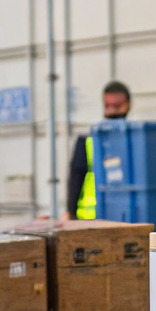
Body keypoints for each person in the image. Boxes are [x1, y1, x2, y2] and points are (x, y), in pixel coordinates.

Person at [64, 80, 131, 219]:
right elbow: (75, 181)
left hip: (124, 218)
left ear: (127, 105)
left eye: (116, 106)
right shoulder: (88, 140)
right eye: (108, 106)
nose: (111, 111)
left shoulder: (137, 140)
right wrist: (71, 214)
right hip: (91, 219)